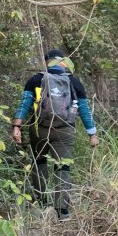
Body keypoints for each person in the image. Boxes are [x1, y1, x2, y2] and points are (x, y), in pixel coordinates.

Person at [10, 49, 99, 219]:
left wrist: (17, 127)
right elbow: (84, 111)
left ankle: (43, 203)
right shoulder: (74, 82)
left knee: (39, 163)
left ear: (47, 62)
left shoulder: (36, 79)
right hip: (65, 130)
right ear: (63, 62)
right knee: (62, 166)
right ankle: (62, 210)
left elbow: (25, 104)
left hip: (39, 129)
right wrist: (92, 134)